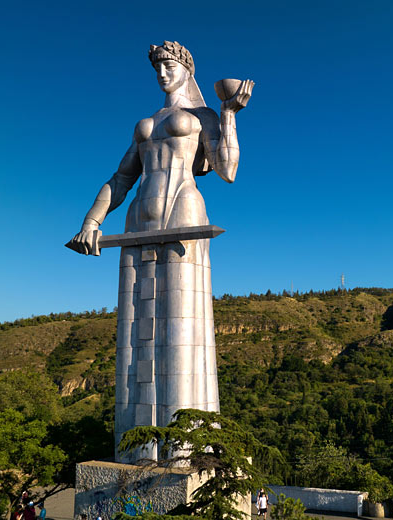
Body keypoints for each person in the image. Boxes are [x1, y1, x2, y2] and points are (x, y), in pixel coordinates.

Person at [68, 40, 253, 460]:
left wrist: (228, 115)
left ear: (187, 69)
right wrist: (91, 221)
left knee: (181, 331)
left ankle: (186, 451)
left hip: (183, 209)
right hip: (138, 219)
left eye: (170, 66)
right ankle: (135, 453)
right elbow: (120, 177)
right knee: (135, 327)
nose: (163, 74)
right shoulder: (147, 123)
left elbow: (227, 170)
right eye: (158, 68)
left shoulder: (203, 115)